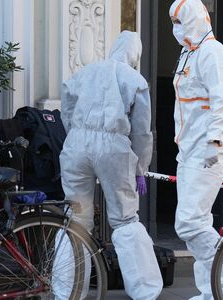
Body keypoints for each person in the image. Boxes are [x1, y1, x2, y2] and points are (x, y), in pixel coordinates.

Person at [55, 31, 163, 300]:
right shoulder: (135, 80)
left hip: (77, 144)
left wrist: (77, 134)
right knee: (125, 219)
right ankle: (145, 291)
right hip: (113, 147)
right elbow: (141, 131)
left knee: (76, 220)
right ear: (135, 54)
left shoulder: (85, 72)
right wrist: (141, 167)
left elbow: (66, 108)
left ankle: (66, 291)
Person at [168, 1, 223, 299]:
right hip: (189, 147)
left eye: (179, 21)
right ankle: (213, 291)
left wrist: (215, 141)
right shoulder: (189, 54)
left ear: (193, 19)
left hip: (207, 148)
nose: (175, 29)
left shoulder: (212, 53)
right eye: (173, 22)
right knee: (200, 222)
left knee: (189, 223)